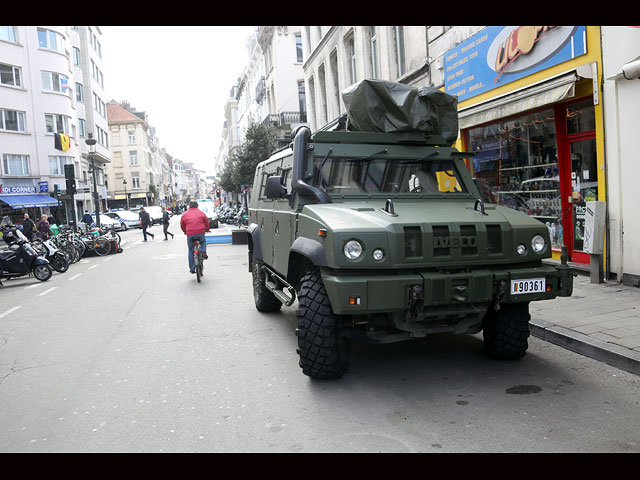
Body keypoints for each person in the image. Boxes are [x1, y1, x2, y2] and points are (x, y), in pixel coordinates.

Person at [180, 200, 210, 274]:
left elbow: (182, 224)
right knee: (203, 241)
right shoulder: (201, 213)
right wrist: (207, 229)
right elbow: (207, 222)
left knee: (191, 250)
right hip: (200, 232)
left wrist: (185, 231)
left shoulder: (185, 214)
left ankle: (192, 268)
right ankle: (203, 251)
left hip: (190, 233)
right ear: (197, 206)